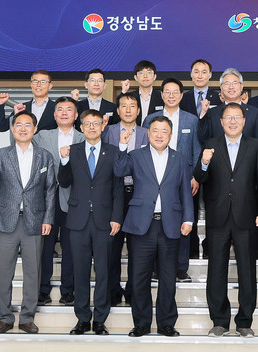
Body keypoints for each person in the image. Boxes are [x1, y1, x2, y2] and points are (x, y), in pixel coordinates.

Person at [194, 103, 258, 338]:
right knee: (216, 271)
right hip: (218, 216)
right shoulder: (210, 144)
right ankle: (219, 321)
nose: (233, 121)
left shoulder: (255, 145)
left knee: (247, 271)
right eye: (228, 117)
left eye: (237, 117)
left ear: (244, 121)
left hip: (246, 216)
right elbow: (199, 177)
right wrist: (204, 162)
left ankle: (244, 321)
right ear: (221, 121)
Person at [115, 117, 194, 337]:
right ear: (148, 134)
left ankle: (166, 323)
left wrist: (188, 219)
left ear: (171, 135)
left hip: (170, 224)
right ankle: (141, 323)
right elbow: (119, 171)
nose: (159, 135)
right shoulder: (135, 155)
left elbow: (185, 192)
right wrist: (122, 145)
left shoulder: (180, 158)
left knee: (168, 277)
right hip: (141, 225)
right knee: (139, 277)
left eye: (164, 131)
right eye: (155, 131)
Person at [0, 111, 55, 334]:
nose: (23, 129)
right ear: (13, 129)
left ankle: (27, 318)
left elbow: (50, 190)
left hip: (34, 221)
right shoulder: (1, 154)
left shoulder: (45, 156)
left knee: (33, 272)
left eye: (28, 125)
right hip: (6, 221)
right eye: (19, 125)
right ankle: (4, 317)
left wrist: (48, 219)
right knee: (4, 272)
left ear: (35, 129)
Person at [58, 109, 124, 336]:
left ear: (103, 126)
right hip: (78, 220)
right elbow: (64, 182)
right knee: (80, 271)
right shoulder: (72, 151)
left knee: (103, 271)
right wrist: (64, 160)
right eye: (88, 124)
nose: (92, 127)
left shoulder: (113, 151)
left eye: (96, 123)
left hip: (105, 221)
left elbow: (118, 189)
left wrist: (117, 217)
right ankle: (83, 319)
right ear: (81, 127)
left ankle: (100, 320)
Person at [143, 77, 201, 282]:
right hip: (156, 178)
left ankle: (180, 268)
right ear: (161, 95)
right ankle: (155, 268)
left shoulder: (191, 119)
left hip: (183, 178)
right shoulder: (151, 119)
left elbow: (196, 150)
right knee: (156, 223)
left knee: (182, 220)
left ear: (181, 95)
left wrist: (195, 176)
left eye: (175, 92)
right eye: (167, 91)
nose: (171, 95)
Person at [32, 98, 85, 306]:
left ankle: (68, 291)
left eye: (69, 109)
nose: (64, 113)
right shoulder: (42, 136)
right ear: (54, 115)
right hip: (46, 199)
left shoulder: (83, 137)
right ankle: (42, 289)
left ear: (76, 115)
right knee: (45, 247)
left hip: (73, 199)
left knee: (71, 248)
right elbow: (23, 146)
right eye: (60, 109)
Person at [102, 92, 149, 306]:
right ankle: (113, 291)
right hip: (113, 193)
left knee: (136, 247)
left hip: (138, 194)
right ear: (118, 110)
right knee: (112, 246)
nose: (128, 110)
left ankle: (132, 291)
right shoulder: (107, 131)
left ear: (138, 111)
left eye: (132, 106)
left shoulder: (147, 133)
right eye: (124, 106)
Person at [198, 68, 258, 144]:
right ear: (221, 88)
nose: (231, 87)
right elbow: (203, 139)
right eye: (227, 83)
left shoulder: (254, 113)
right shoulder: (212, 113)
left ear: (241, 87)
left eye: (235, 83)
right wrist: (203, 114)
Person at [121, 60, 164, 125]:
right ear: (136, 77)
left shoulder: (162, 96)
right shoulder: (130, 97)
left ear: (154, 77)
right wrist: (123, 92)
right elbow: (120, 112)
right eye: (141, 73)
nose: (145, 76)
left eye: (149, 72)